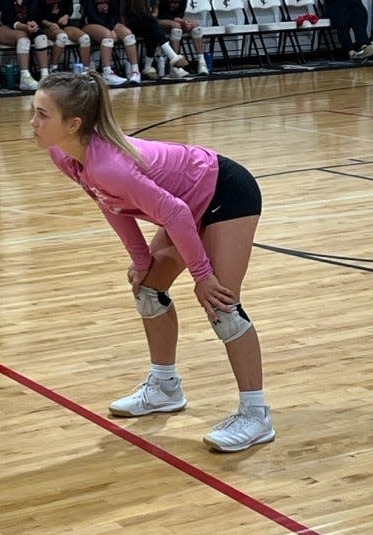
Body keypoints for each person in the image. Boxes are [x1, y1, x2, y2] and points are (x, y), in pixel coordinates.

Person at [30, 71, 276, 453]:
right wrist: (141, 259)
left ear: (73, 123)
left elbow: (176, 214)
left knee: (221, 303)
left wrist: (203, 276)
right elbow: (107, 201)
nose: (33, 123)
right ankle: (164, 387)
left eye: (42, 114)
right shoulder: (64, 154)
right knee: (148, 290)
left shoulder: (111, 164)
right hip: (185, 202)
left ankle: (255, 414)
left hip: (225, 192)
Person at [120, 0, 189, 79]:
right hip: (130, 24)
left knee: (153, 29)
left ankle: (148, 67)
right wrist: (124, 30)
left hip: (146, 23)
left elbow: (155, 11)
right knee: (152, 25)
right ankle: (172, 56)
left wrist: (151, 16)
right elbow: (122, 14)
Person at [80, 0, 141, 85]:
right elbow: (91, 15)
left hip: (110, 23)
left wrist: (112, 27)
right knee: (107, 37)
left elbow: (114, 14)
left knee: (128, 35)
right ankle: (107, 73)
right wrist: (110, 29)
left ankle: (135, 71)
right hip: (91, 24)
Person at [0, 0, 49, 91]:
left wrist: (33, 24)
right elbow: (11, 21)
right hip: (3, 28)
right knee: (23, 38)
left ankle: (45, 76)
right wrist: (26, 27)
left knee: (41, 37)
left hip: (24, 28)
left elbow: (35, 16)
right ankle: (24, 77)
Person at [155, 0, 209, 75]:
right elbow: (160, 15)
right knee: (176, 26)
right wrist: (178, 20)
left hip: (175, 21)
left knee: (195, 25)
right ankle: (174, 66)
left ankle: (202, 63)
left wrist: (184, 23)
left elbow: (180, 14)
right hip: (158, 21)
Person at [38, 0, 92, 72]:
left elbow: (69, 9)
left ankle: (85, 70)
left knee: (85, 38)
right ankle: (53, 67)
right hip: (46, 27)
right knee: (62, 36)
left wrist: (66, 16)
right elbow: (36, 17)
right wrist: (49, 24)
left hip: (65, 25)